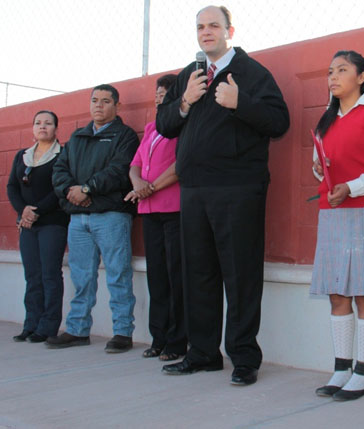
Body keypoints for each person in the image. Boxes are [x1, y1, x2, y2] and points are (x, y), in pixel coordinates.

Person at [156, 5, 289, 385]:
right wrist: (184, 102)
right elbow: (165, 126)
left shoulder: (251, 73)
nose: (206, 31)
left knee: (241, 274)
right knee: (197, 274)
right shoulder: (189, 75)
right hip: (194, 189)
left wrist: (240, 102)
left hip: (237, 188)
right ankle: (202, 354)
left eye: (214, 25)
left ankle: (244, 358)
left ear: (230, 30)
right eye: (200, 26)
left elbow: (280, 121)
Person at [310, 51, 364, 401]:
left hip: (363, 210)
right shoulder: (324, 121)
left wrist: (352, 187)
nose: (333, 77)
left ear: (362, 77)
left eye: (342, 70)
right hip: (331, 212)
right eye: (330, 71)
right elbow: (319, 166)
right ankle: (341, 368)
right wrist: (321, 169)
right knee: (337, 292)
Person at [49, 84, 140, 353]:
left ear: (117, 106)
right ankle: (77, 330)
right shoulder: (77, 136)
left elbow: (120, 171)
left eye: (105, 101)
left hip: (111, 217)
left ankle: (123, 332)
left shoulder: (124, 136)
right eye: (94, 101)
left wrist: (87, 189)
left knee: (118, 275)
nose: (98, 106)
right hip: (78, 220)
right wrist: (70, 191)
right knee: (81, 277)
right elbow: (59, 169)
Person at [124, 74, 187, 361]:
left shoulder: (184, 126)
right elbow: (135, 165)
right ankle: (158, 337)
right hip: (148, 211)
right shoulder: (151, 128)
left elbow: (180, 165)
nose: (159, 97)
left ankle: (177, 341)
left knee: (176, 276)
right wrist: (138, 184)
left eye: (165, 93)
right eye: (157, 93)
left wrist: (150, 188)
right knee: (157, 277)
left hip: (173, 209)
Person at [7, 110, 69, 343]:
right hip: (27, 224)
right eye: (38, 123)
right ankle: (31, 324)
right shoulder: (22, 156)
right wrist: (23, 210)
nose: (42, 126)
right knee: (32, 275)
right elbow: (12, 187)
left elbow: (59, 188)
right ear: (32, 128)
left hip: (52, 222)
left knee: (50, 274)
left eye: (48, 123)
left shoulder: (62, 155)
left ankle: (48, 326)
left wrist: (36, 211)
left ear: (56, 128)